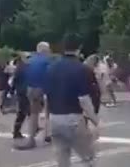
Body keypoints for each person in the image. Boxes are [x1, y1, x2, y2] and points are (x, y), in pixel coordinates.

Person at [44, 34, 99, 167]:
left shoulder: (51, 68)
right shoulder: (81, 69)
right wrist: (95, 120)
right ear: (79, 48)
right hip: (73, 118)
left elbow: (46, 96)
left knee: (62, 159)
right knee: (87, 157)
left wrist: (46, 119)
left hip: (55, 118)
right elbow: (84, 99)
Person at [22, 42, 52, 149]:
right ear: (45, 50)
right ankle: (48, 134)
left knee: (33, 113)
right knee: (48, 111)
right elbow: (50, 75)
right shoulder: (47, 61)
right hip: (44, 88)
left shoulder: (30, 60)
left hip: (30, 88)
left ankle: (31, 138)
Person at [12, 53, 30, 139]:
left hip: (22, 91)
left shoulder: (21, 67)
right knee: (23, 112)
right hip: (23, 92)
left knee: (23, 112)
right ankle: (16, 131)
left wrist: (12, 90)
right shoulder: (23, 67)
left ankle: (17, 131)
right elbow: (15, 80)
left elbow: (14, 80)